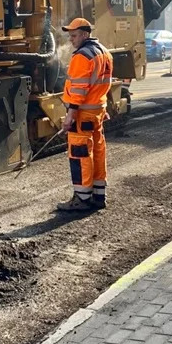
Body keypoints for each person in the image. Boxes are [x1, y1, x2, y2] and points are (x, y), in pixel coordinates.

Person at [57, 18, 114, 213]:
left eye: (74, 36)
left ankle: (81, 198)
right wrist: (103, 109)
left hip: (82, 114)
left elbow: (79, 90)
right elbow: (103, 86)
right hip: (97, 112)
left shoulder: (82, 56)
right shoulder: (104, 53)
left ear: (84, 34)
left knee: (80, 154)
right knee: (97, 152)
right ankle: (98, 195)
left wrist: (69, 116)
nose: (71, 40)